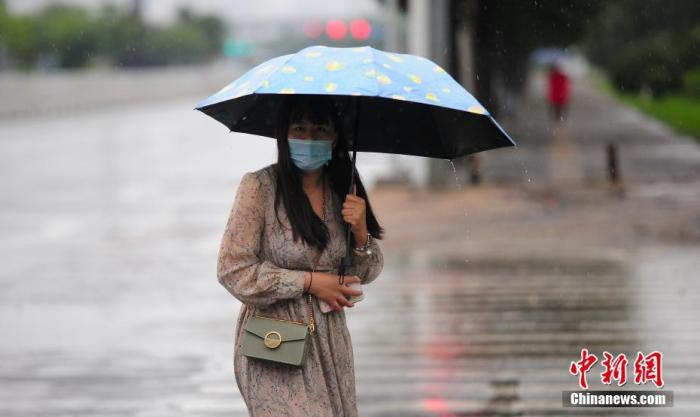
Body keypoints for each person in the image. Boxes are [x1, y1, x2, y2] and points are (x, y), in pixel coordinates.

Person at [216, 95, 385, 416]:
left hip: (330, 343)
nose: (310, 139)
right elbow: (232, 270)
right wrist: (308, 282)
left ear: (335, 136)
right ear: (284, 133)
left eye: (321, 129)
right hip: (274, 340)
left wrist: (362, 232)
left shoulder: (344, 189)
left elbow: (367, 271)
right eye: (300, 128)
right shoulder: (260, 187)